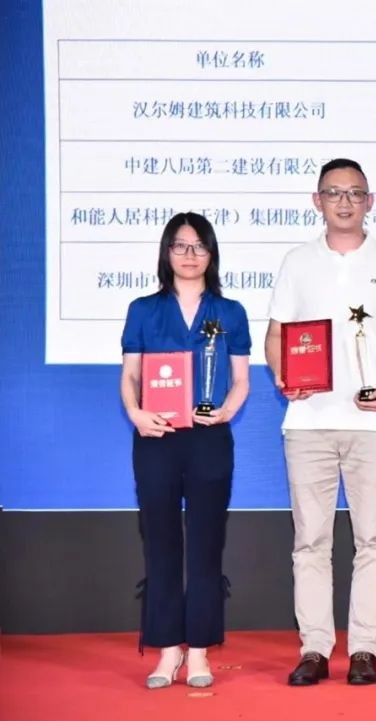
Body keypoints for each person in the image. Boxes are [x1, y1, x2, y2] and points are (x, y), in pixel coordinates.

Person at [265, 158, 376, 686]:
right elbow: (277, 335)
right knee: (310, 541)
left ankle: (363, 649)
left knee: (372, 540)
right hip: (308, 422)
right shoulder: (297, 262)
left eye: (355, 193)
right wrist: (284, 377)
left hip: (373, 425)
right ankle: (314, 647)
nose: (345, 202)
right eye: (334, 192)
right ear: (318, 201)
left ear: (370, 201)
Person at [120, 212, 251, 689]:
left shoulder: (230, 311)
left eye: (199, 246)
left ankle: (198, 651)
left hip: (208, 439)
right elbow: (130, 375)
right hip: (155, 438)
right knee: (159, 542)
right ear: (167, 252)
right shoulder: (143, 309)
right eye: (180, 245)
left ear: (211, 254)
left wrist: (226, 412)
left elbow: (241, 380)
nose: (190, 255)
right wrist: (136, 413)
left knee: (206, 543)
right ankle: (167, 649)